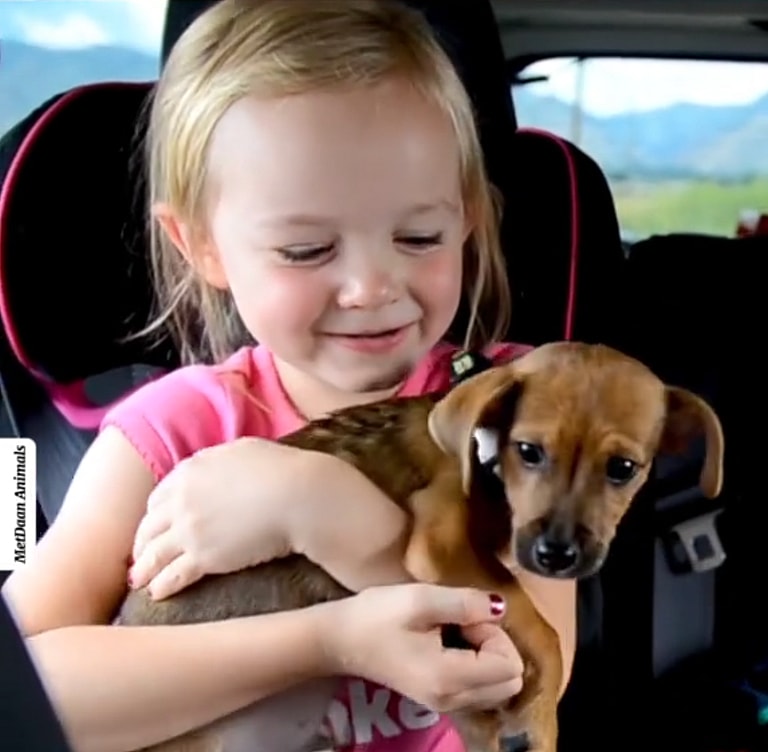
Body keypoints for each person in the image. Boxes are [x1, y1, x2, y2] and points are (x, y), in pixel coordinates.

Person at [2, 1, 576, 751]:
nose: (371, 286)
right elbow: (22, 687)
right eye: (306, 250)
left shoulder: (518, 412)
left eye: (419, 236)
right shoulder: (175, 430)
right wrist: (323, 640)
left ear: (468, 217)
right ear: (201, 245)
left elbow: (529, 678)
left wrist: (320, 511)